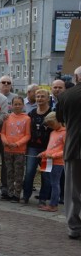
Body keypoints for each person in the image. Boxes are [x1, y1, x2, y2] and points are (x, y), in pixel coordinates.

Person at [55, 66, 81, 239]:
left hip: (74, 147)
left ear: (76, 78)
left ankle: (74, 227)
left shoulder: (66, 96)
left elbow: (60, 119)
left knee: (73, 190)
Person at [21, 88, 52, 205]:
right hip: (33, 148)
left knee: (46, 174)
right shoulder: (31, 114)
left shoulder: (52, 114)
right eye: (38, 96)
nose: (39, 98)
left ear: (48, 98)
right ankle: (26, 196)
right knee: (29, 172)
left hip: (47, 149)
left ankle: (43, 198)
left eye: (42, 96)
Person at [0, 96, 31, 203]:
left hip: (20, 151)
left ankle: (17, 194)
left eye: (19, 104)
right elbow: (3, 132)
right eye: (15, 104)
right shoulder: (7, 118)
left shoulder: (27, 118)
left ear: (23, 105)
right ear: (11, 105)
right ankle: (10, 193)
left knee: (18, 173)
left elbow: (27, 135)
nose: (17, 106)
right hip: (7, 150)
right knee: (9, 172)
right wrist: (5, 141)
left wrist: (17, 144)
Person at [37, 112, 66, 212]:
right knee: (47, 181)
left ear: (58, 121)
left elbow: (66, 150)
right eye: (48, 125)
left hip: (57, 162)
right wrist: (43, 153)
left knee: (55, 183)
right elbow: (50, 147)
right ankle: (48, 201)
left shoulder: (65, 132)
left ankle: (54, 205)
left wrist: (53, 156)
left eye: (51, 124)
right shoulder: (53, 132)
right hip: (47, 160)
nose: (50, 126)